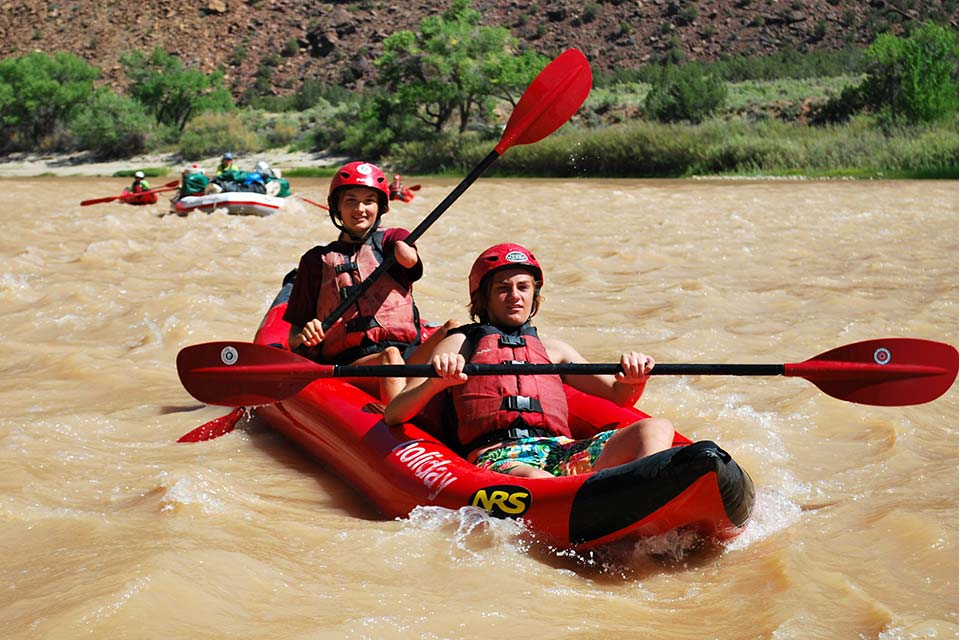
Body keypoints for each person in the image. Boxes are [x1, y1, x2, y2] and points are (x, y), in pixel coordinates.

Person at [383, 243, 675, 478]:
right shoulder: (460, 343)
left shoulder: (554, 349)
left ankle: (647, 498)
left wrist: (636, 379)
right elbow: (395, 413)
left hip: (560, 451)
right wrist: (436, 384)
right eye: (502, 288)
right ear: (483, 298)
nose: (515, 297)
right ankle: (591, 504)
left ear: (534, 295)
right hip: (498, 456)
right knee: (538, 479)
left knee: (657, 427)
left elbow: (619, 394)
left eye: (523, 287)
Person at [283, 161, 454, 402]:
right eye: (350, 200)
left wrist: (407, 255)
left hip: (408, 355)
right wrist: (306, 334)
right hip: (350, 364)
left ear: (380, 207)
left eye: (369, 201)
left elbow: (411, 262)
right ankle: (397, 420)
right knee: (389, 357)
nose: (360, 209)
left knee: (453, 330)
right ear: (337, 207)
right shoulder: (315, 260)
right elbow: (294, 339)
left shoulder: (392, 240)